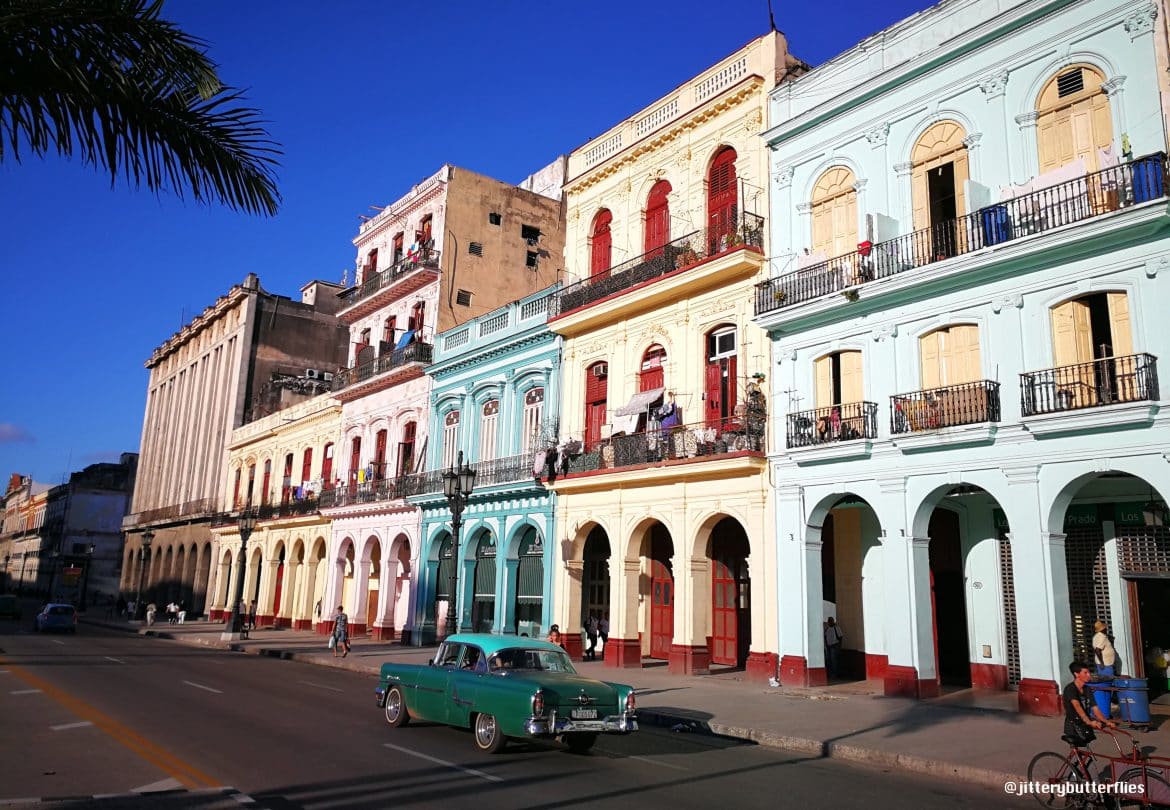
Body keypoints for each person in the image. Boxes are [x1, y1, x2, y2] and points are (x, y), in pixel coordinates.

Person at [1064, 660, 1116, 746]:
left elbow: (1095, 708)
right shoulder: (1070, 689)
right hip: (1074, 725)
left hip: (1085, 724)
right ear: (1076, 674)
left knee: (1089, 751)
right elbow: (1077, 707)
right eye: (1085, 673)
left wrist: (1106, 721)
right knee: (1082, 749)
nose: (1089, 675)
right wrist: (1089, 722)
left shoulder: (1087, 689)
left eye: (1089, 672)